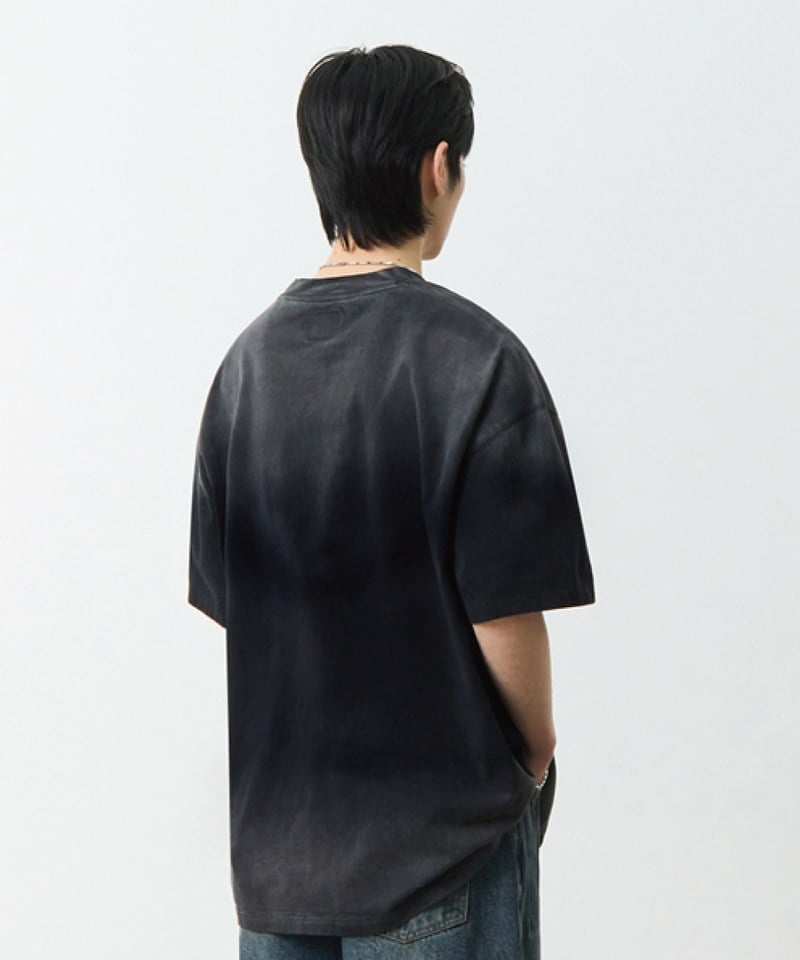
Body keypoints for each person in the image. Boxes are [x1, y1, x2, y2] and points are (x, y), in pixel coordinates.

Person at [188, 43, 595, 959]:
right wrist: (534, 756)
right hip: (441, 853)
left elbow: (241, 610)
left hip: (279, 864)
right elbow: (506, 615)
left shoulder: (244, 371)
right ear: (437, 167)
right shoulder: (477, 361)